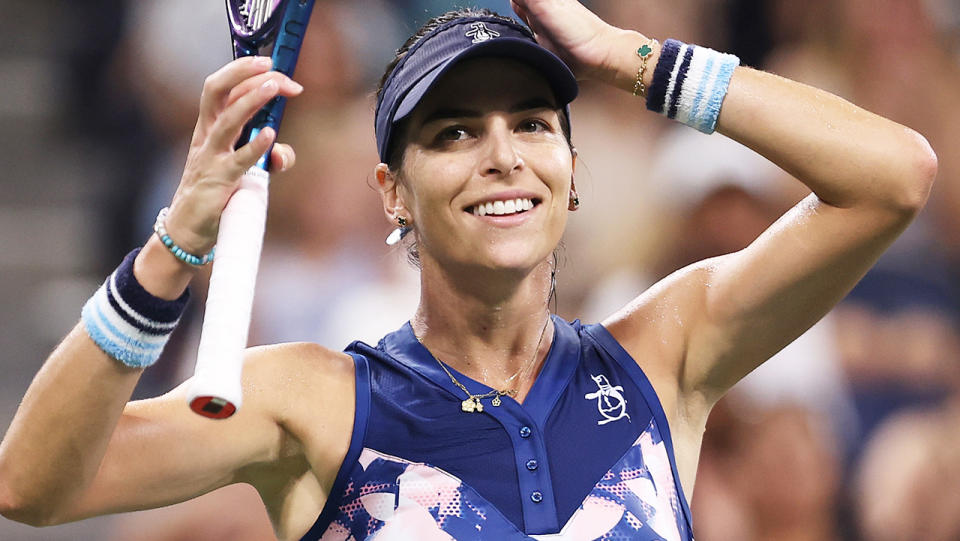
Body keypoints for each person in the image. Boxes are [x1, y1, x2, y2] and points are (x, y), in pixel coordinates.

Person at [0, 1, 937, 539]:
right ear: (392, 193)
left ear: (573, 175)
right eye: (454, 133)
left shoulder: (662, 356)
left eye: (532, 123)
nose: (504, 155)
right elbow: (33, 485)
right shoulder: (315, 400)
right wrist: (174, 245)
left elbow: (893, 178)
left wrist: (630, 58)